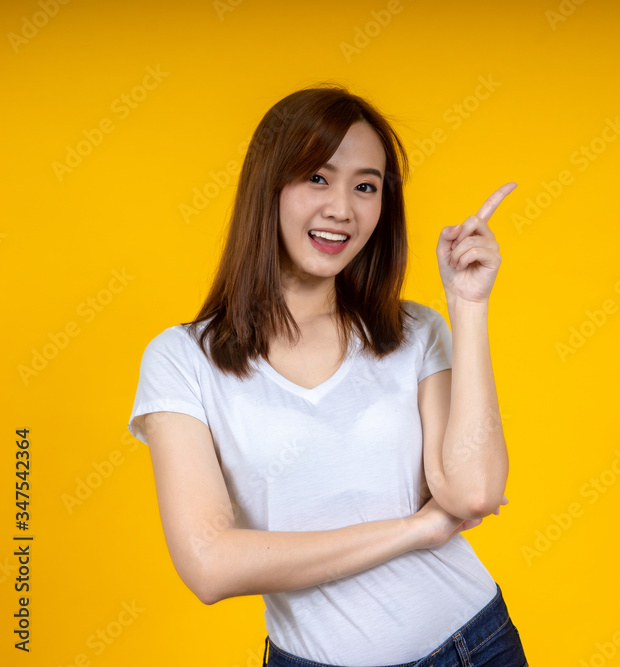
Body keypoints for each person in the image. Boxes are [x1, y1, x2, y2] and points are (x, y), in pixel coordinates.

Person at [127, 83, 528, 667]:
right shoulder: (183, 360)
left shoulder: (414, 331)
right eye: (318, 176)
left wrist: (468, 303)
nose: (343, 207)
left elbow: (473, 491)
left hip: (475, 645)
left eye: (366, 186)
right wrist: (414, 531)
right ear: (269, 187)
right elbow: (210, 566)